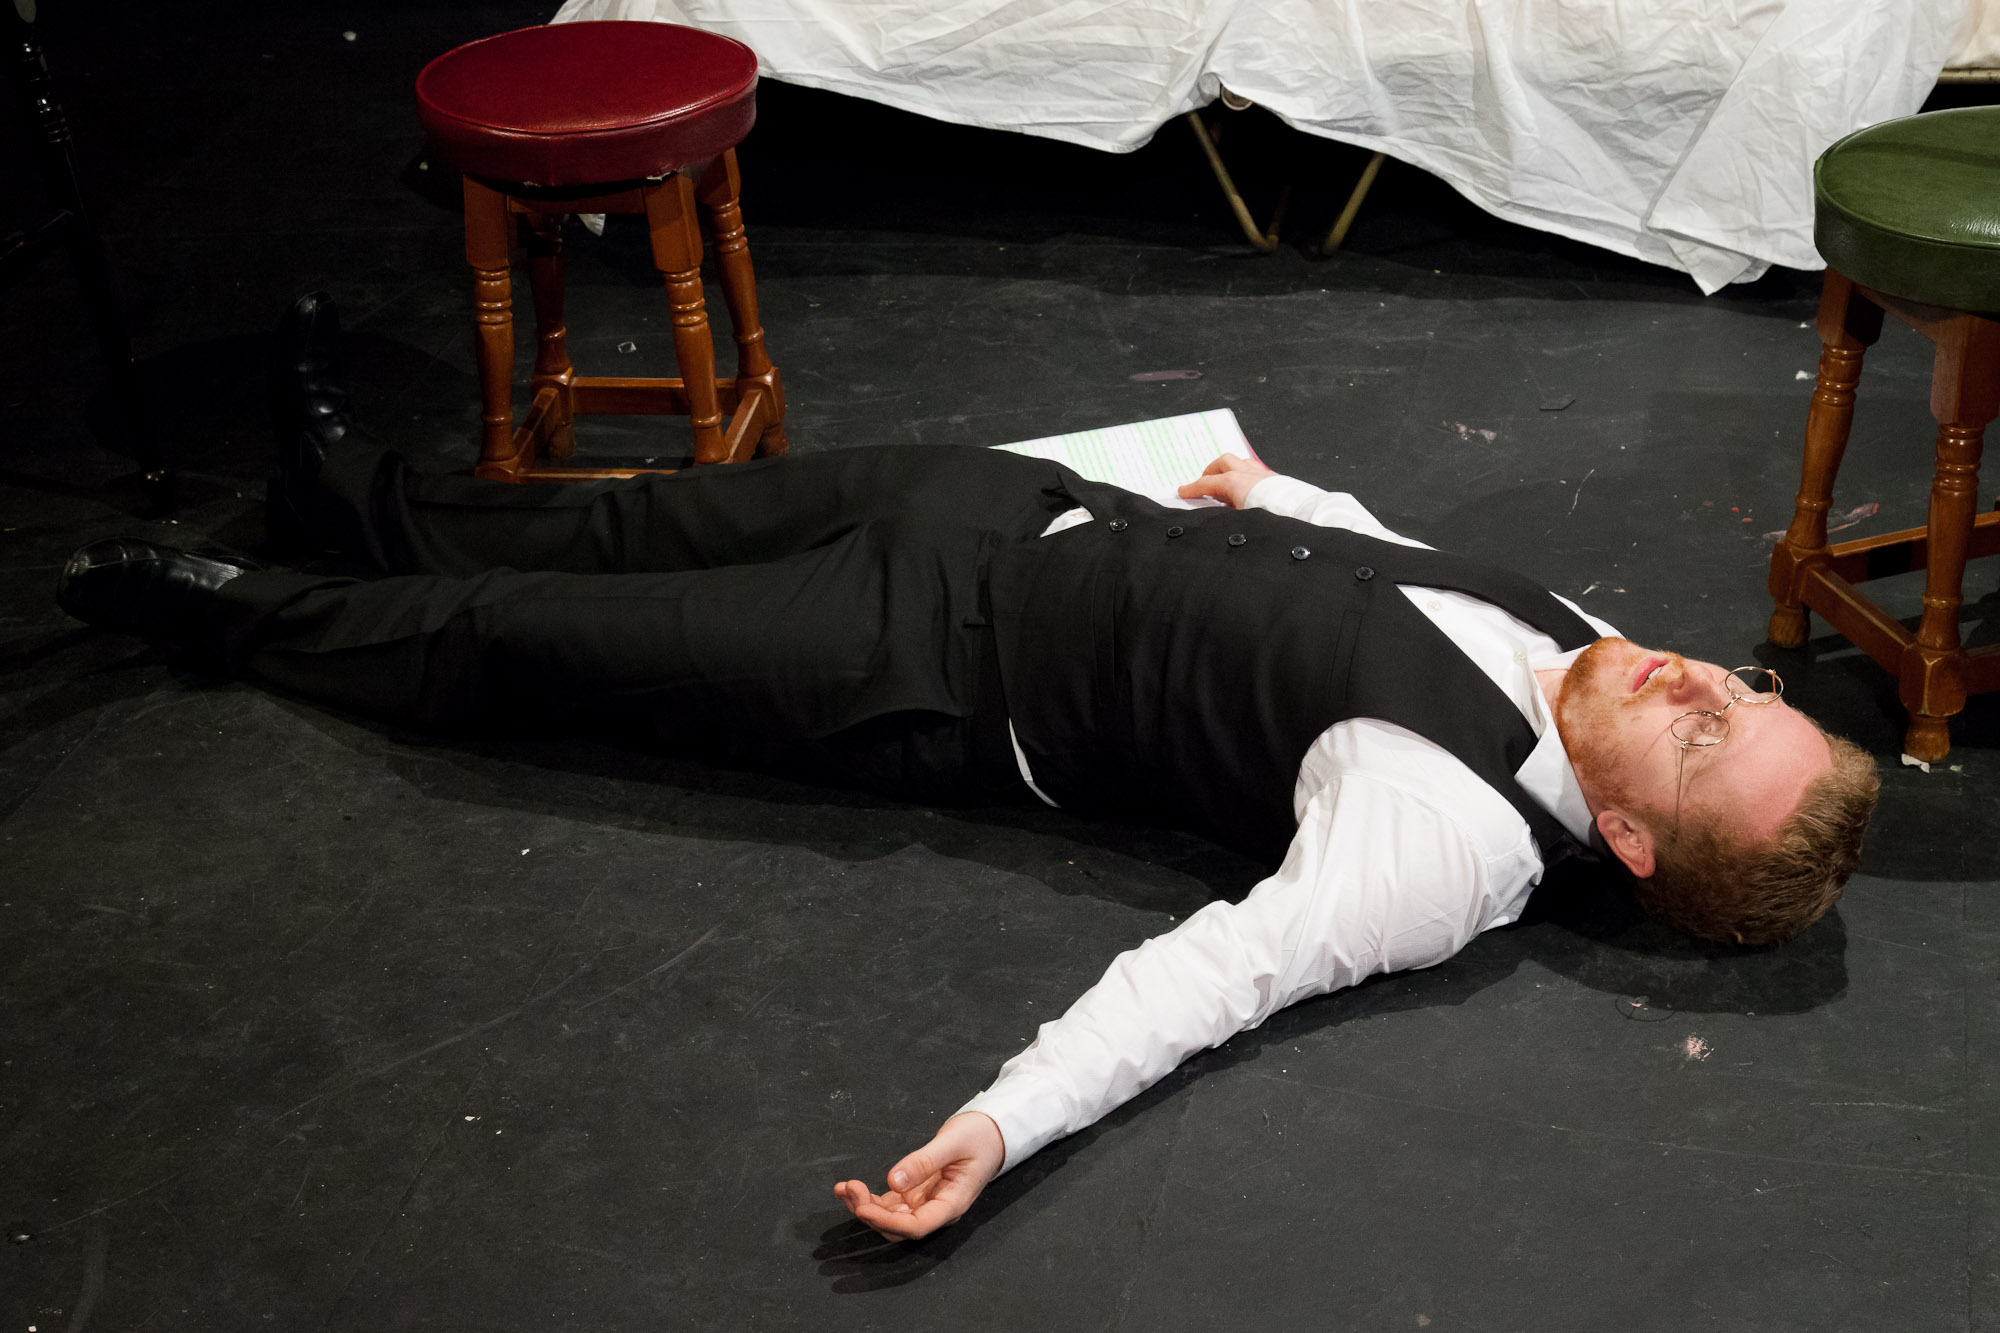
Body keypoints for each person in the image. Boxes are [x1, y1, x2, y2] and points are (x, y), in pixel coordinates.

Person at [56, 295, 1880, 1243]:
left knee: (544, 640)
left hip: (921, 664)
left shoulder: (1444, 841)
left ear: (1629, 841)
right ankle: (345, 500)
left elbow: (1213, 977)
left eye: (1705, 734)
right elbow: (1405, 563)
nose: (1696, 679)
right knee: (629, 521)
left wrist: (1001, 1126)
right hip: (1012, 508)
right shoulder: (1597, 655)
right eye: (1740, 689)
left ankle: (246, 611)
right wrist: (1280, 493)